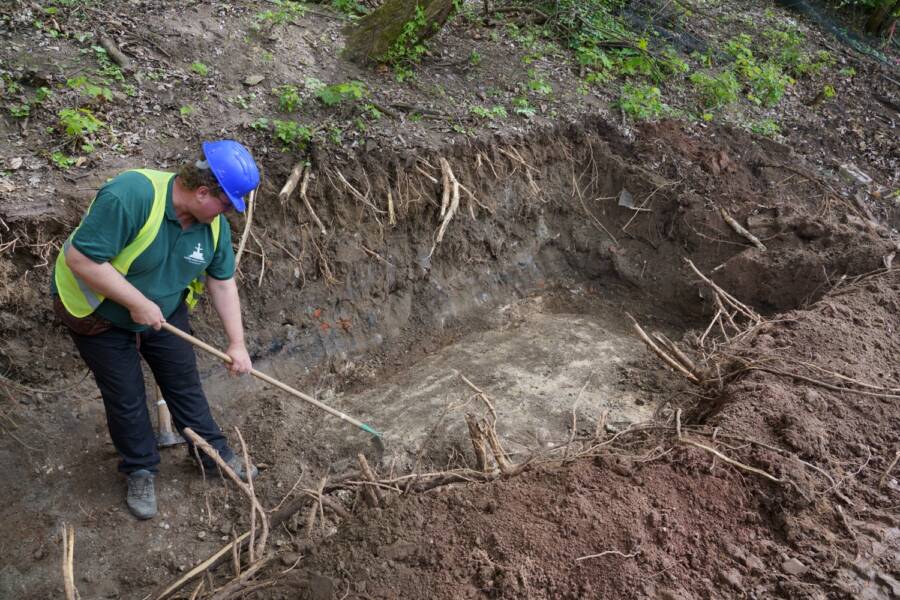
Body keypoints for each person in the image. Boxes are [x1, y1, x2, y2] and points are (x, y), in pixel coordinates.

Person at [52, 140, 260, 520]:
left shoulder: (212, 227)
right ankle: (140, 469)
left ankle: (212, 454)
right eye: (227, 203)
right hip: (96, 313)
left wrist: (237, 343)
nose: (230, 213)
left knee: (183, 380)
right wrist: (135, 302)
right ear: (202, 192)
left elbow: (222, 282)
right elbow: (81, 258)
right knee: (127, 396)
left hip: (161, 309)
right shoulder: (131, 195)